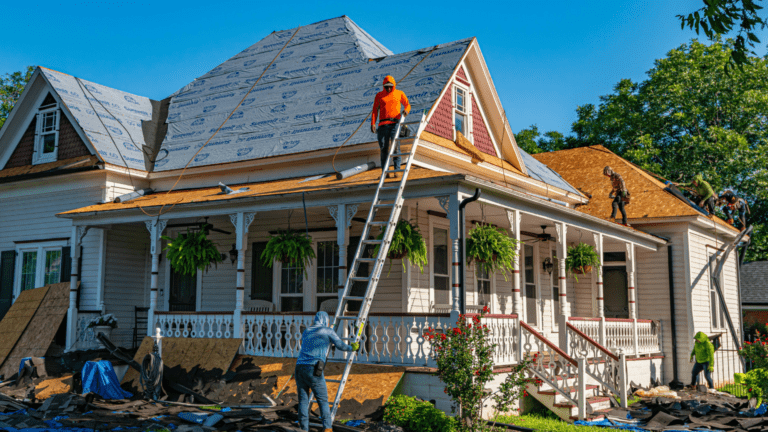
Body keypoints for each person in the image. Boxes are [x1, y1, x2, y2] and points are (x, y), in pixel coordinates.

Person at [295, 311, 359, 432]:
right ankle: (328, 428)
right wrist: (352, 348)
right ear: (325, 320)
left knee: (303, 400)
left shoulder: (307, 331)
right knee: (323, 400)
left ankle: (303, 428)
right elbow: (340, 345)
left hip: (299, 367)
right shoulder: (327, 331)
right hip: (313, 368)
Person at [371, 75, 410, 178]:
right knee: (383, 149)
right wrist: (373, 123)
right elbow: (375, 110)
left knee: (395, 147)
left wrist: (406, 111)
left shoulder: (399, 93)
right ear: (383, 86)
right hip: (382, 125)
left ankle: (396, 170)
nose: (388, 88)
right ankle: (385, 172)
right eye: (386, 86)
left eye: (390, 86)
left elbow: (407, 105)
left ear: (394, 85)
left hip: (394, 124)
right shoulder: (379, 95)